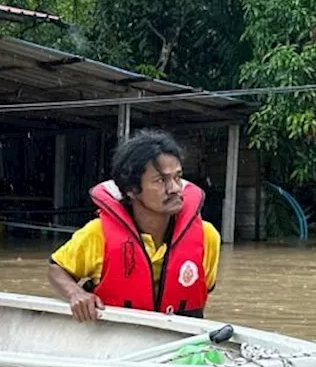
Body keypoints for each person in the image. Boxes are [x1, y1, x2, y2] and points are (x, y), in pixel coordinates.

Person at [48, 129, 220, 322]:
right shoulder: (98, 233)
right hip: (116, 339)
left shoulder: (207, 236)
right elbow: (57, 268)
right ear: (131, 189)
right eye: (160, 180)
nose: (175, 189)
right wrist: (75, 293)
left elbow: (202, 291)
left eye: (177, 177)